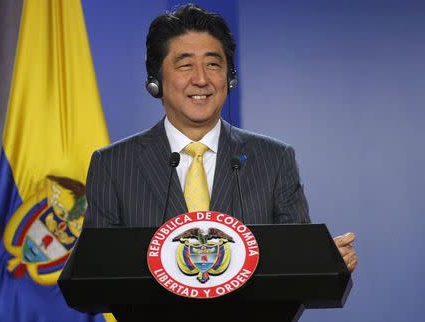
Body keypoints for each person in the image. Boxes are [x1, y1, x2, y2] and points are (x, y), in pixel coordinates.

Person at [83, 4, 357, 272]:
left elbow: (294, 262)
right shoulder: (113, 165)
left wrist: (319, 262)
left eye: (213, 64)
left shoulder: (274, 160)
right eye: (185, 65)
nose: (201, 79)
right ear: (155, 79)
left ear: (230, 78)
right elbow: (96, 272)